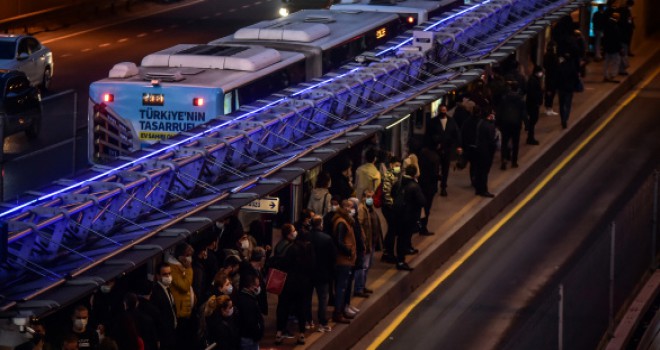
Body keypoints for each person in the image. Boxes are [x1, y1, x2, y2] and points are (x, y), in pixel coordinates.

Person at [273, 224, 307, 346]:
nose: (295, 232)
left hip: (284, 282)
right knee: (300, 307)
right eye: (293, 230)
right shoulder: (298, 248)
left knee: (282, 307)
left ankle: (279, 333)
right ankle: (302, 334)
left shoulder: (280, 246)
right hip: (299, 283)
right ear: (289, 234)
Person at [392, 164, 426, 271]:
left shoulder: (398, 183)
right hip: (409, 216)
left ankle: (401, 256)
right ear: (414, 174)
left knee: (400, 238)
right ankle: (401, 261)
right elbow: (422, 201)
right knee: (404, 237)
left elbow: (393, 193)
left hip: (397, 214)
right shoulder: (414, 186)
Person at [307, 215, 336, 332]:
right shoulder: (327, 239)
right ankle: (322, 322)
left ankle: (308, 321)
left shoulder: (306, 237)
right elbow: (332, 258)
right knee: (322, 299)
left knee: (307, 298)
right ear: (320, 224)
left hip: (308, 273)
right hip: (323, 273)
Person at [427, 105, 462, 197]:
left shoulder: (451, 121)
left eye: (444, 110)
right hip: (436, 149)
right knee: (435, 169)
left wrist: (458, 146)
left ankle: (443, 187)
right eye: (441, 110)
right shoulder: (433, 122)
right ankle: (434, 186)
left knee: (445, 169)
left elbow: (456, 133)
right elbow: (429, 135)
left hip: (447, 149)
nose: (443, 112)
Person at [331, 203, 357, 324]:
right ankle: (338, 312)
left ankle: (341, 310)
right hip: (343, 260)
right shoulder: (341, 223)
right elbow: (339, 242)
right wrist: (348, 252)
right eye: (348, 207)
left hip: (345, 259)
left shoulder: (343, 221)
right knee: (341, 287)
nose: (350, 209)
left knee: (342, 287)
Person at [167, 243, 195, 348]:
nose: (189, 258)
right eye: (188, 255)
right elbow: (184, 286)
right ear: (181, 257)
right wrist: (189, 269)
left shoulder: (181, 266)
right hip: (180, 314)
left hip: (187, 311)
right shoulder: (173, 268)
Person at [497, 80, 528, 169]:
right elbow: (524, 113)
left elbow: (500, 112)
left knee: (504, 143)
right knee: (515, 143)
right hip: (516, 124)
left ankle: (504, 160)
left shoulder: (505, 98)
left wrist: (498, 123)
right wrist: (526, 125)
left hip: (505, 124)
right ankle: (514, 162)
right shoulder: (520, 100)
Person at [149, 263, 177, 350]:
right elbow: (157, 318)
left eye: (169, 273)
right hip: (164, 336)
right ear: (158, 276)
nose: (168, 276)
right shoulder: (156, 293)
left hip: (171, 333)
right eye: (165, 274)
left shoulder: (167, 288)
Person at [354, 190, 377, 297]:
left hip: (371, 241)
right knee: (363, 266)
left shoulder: (371, 209)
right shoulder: (361, 209)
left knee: (367, 266)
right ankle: (359, 288)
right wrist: (363, 240)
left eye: (371, 196)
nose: (370, 199)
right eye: (368, 196)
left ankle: (362, 286)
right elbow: (360, 225)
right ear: (363, 197)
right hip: (366, 242)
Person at [380, 156, 401, 263]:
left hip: (391, 207)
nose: (398, 168)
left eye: (399, 166)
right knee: (392, 230)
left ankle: (387, 252)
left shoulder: (394, 175)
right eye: (396, 165)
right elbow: (387, 195)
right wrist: (393, 206)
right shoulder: (388, 176)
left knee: (392, 230)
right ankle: (388, 253)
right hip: (389, 208)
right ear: (391, 165)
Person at [473, 110, 499, 197]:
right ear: (489, 116)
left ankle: (478, 189)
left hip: (479, 149)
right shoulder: (490, 126)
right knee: (484, 171)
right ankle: (484, 190)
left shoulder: (480, 123)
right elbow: (492, 140)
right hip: (487, 151)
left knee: (479, 170)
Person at [416, 141, 440, 236]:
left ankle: (417, 225)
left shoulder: (421, 154)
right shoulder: (435, 158)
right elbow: (435, 174)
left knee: (419, 207)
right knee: (427, 208)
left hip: (421, 185)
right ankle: (423, 228)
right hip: (430, 187)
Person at [237, 273, 265, 350]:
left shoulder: (246, 297)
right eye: (257, 285)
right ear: (251, 286)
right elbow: (250, 323)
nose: (259, 287)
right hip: (249, 339)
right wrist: (257, 335)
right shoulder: (247, 302)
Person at [556, 51, 580, 129]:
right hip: (569, 89)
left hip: (561, 88)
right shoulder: (572, 67)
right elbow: (576, 78)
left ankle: (562, 118)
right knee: (568, 105)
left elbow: (557, 77)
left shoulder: (560, 66)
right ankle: (565, 119)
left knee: (561, 105)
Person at [603, 11, 623, 83]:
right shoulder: (614, 26)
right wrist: (620, 48)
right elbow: (616, 38)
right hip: (614, 47)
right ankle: (612, 75)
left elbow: (605, 36)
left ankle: (606, 75)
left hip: (607, 47)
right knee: (616, 61)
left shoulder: (607, 24)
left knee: (607, 62)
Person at [525, 66, 544, 145]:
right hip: (533, 105)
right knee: (533, 120)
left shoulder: (534, 79)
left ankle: (530, 137)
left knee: (533, 121)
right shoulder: (533, 81)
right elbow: (533, 93)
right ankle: (530, 138)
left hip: (532, 104)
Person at [543, 41, 560, 116]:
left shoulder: (546, 55)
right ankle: (548, 108)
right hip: (551, 77)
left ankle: (549, 108)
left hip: (549, 76)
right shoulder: (552, 56)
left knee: (550, 92)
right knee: (550, 93)